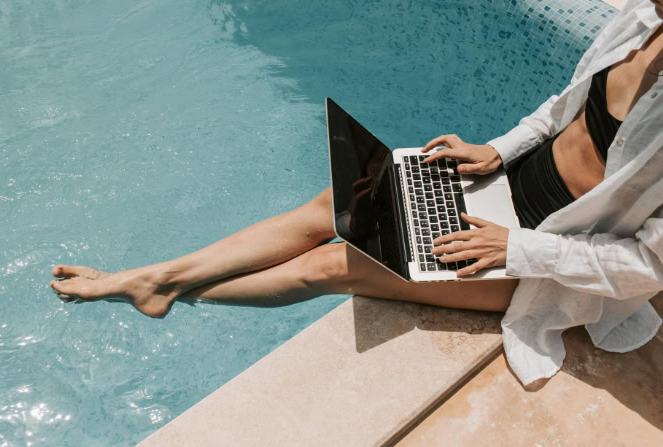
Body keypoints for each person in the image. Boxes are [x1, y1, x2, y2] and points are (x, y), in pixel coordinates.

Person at [51, 0, 663, 384]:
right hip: (503, 187)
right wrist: (498, 150)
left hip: (542, 259)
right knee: (335, 202)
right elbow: (565, 106)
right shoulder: (641, 19)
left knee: (334, 263)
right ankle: (155, 280)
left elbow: (648, 265)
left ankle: (159, 288)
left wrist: (514, 250)